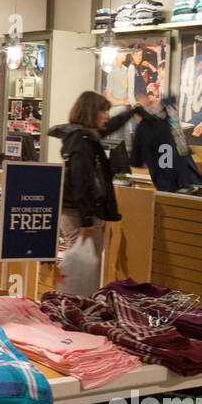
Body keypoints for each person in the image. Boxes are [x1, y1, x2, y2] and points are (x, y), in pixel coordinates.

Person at [48, 91, 140, 296]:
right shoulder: (82, 141)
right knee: (83, 266)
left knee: (82, 264)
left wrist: (134, 111)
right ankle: (73, 306)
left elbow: (112, 125)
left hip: (76, 210)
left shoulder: (83, 136)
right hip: (77, 213)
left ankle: (71, 305)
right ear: (91, 113)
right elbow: (82, 182)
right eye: (103, 111)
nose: (107, 116)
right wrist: (87, 220)